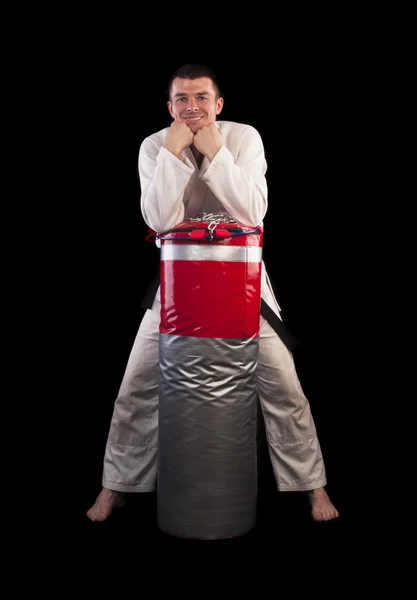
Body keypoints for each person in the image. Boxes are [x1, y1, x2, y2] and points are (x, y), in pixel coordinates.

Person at [87, 63, 339, 525]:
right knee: (136, 386)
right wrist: (173, 154)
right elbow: (161, 220)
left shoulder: (243, 138)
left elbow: (252, 211)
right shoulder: (154, 146)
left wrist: (216, 153)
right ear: (170, 106)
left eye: (201, 98)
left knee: (284, 386)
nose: (192, 107)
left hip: (243, 281)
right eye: (182, 99)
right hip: (177, 283)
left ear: (218, 104)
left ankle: (312, 487)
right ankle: (115, 486)